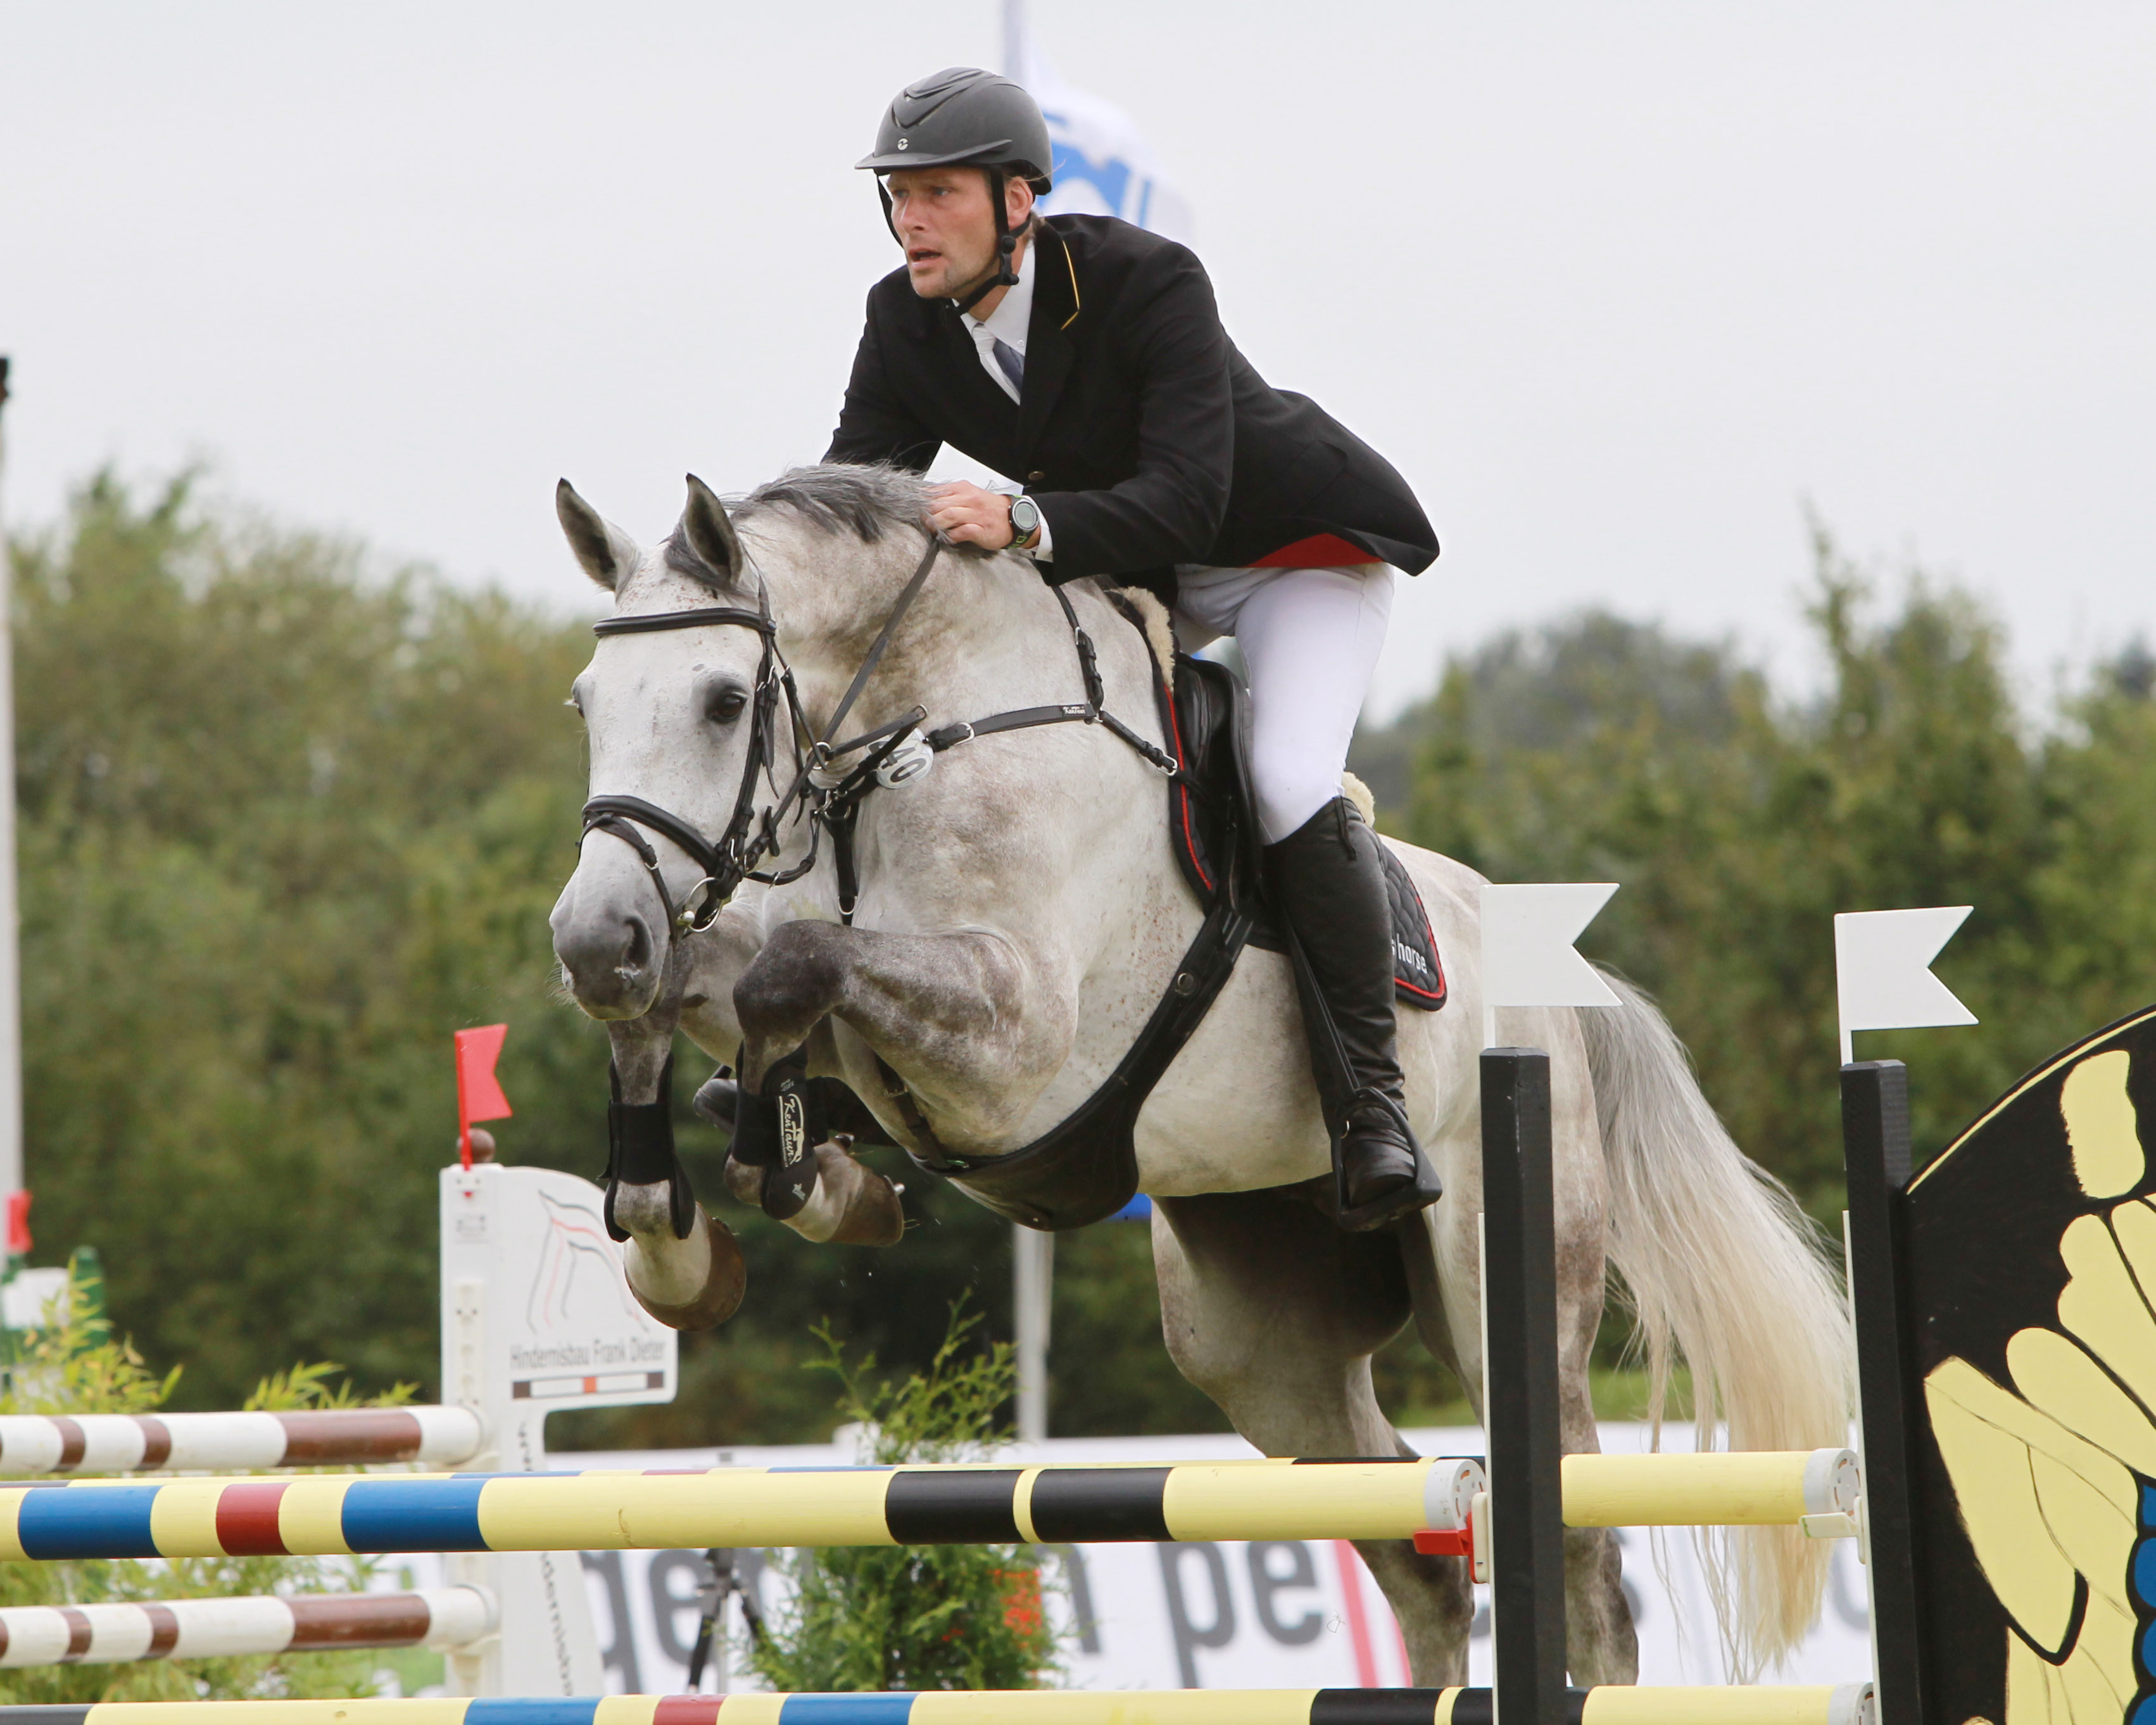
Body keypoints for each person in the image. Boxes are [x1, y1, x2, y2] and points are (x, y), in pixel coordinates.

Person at [826, 68, 1441, 1231]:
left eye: (938, 193)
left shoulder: (1144, 281)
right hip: (1138, 564)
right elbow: (860, 496)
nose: (910, 218)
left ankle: (1372, 1108)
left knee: (1286, 775)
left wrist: (1018, 521)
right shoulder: (900, 318)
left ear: (1018, 201)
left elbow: (1187, 499)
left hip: (1287, 551)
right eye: (897, 194)